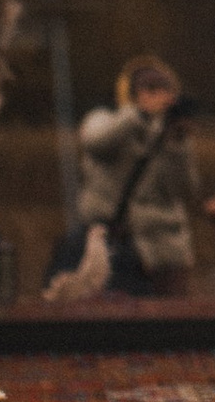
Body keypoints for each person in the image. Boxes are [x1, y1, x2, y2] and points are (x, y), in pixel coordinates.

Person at [48, 56, 197, 299]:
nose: (157, 96)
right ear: (129, 92)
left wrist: (178, 144)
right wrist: (137, 115)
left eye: (164, 90)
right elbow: (96, 142)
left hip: (162, 252)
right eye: (149, 89)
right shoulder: (104, 120)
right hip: (111, 244)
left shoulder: (171, 138)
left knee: (165, 318)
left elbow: (185, 191)